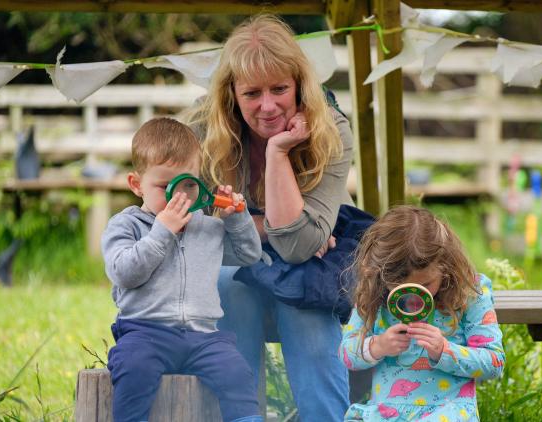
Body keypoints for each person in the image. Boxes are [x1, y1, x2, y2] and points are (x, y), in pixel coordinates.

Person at [189, 14, 354, 421]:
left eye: (280, 89)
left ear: (300, 84)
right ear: (231, 94)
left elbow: (299, 250)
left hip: (313, 265)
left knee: (304, 300)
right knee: (229, 285)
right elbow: (189, 231)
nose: (267, 106)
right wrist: (270, 228)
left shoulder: (330, 127)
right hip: (234, 265)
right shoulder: (199, 130)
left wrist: (279, 153)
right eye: (252, 94)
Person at [102, 117, 264, 422]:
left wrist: (236, 219)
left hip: (203, 336)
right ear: (136, 184)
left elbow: (249, 254)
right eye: (165, 186)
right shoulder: (126, 225)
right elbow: (124, 273)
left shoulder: (206, 227)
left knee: (237, 372)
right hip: (144, 331)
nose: (178, 197)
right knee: (133, 368)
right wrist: (161, 232)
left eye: (187, 184)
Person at [341, 206, 505, 421]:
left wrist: (444, 350)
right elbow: (346, 354)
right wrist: (377, 346)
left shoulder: (469, 292)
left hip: (447, 412)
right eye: (400, 287)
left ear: (445, 265)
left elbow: (494, 362)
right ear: (382, 275)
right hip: (387, 414)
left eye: (426, 284)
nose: (414, 297)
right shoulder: (375, 293)